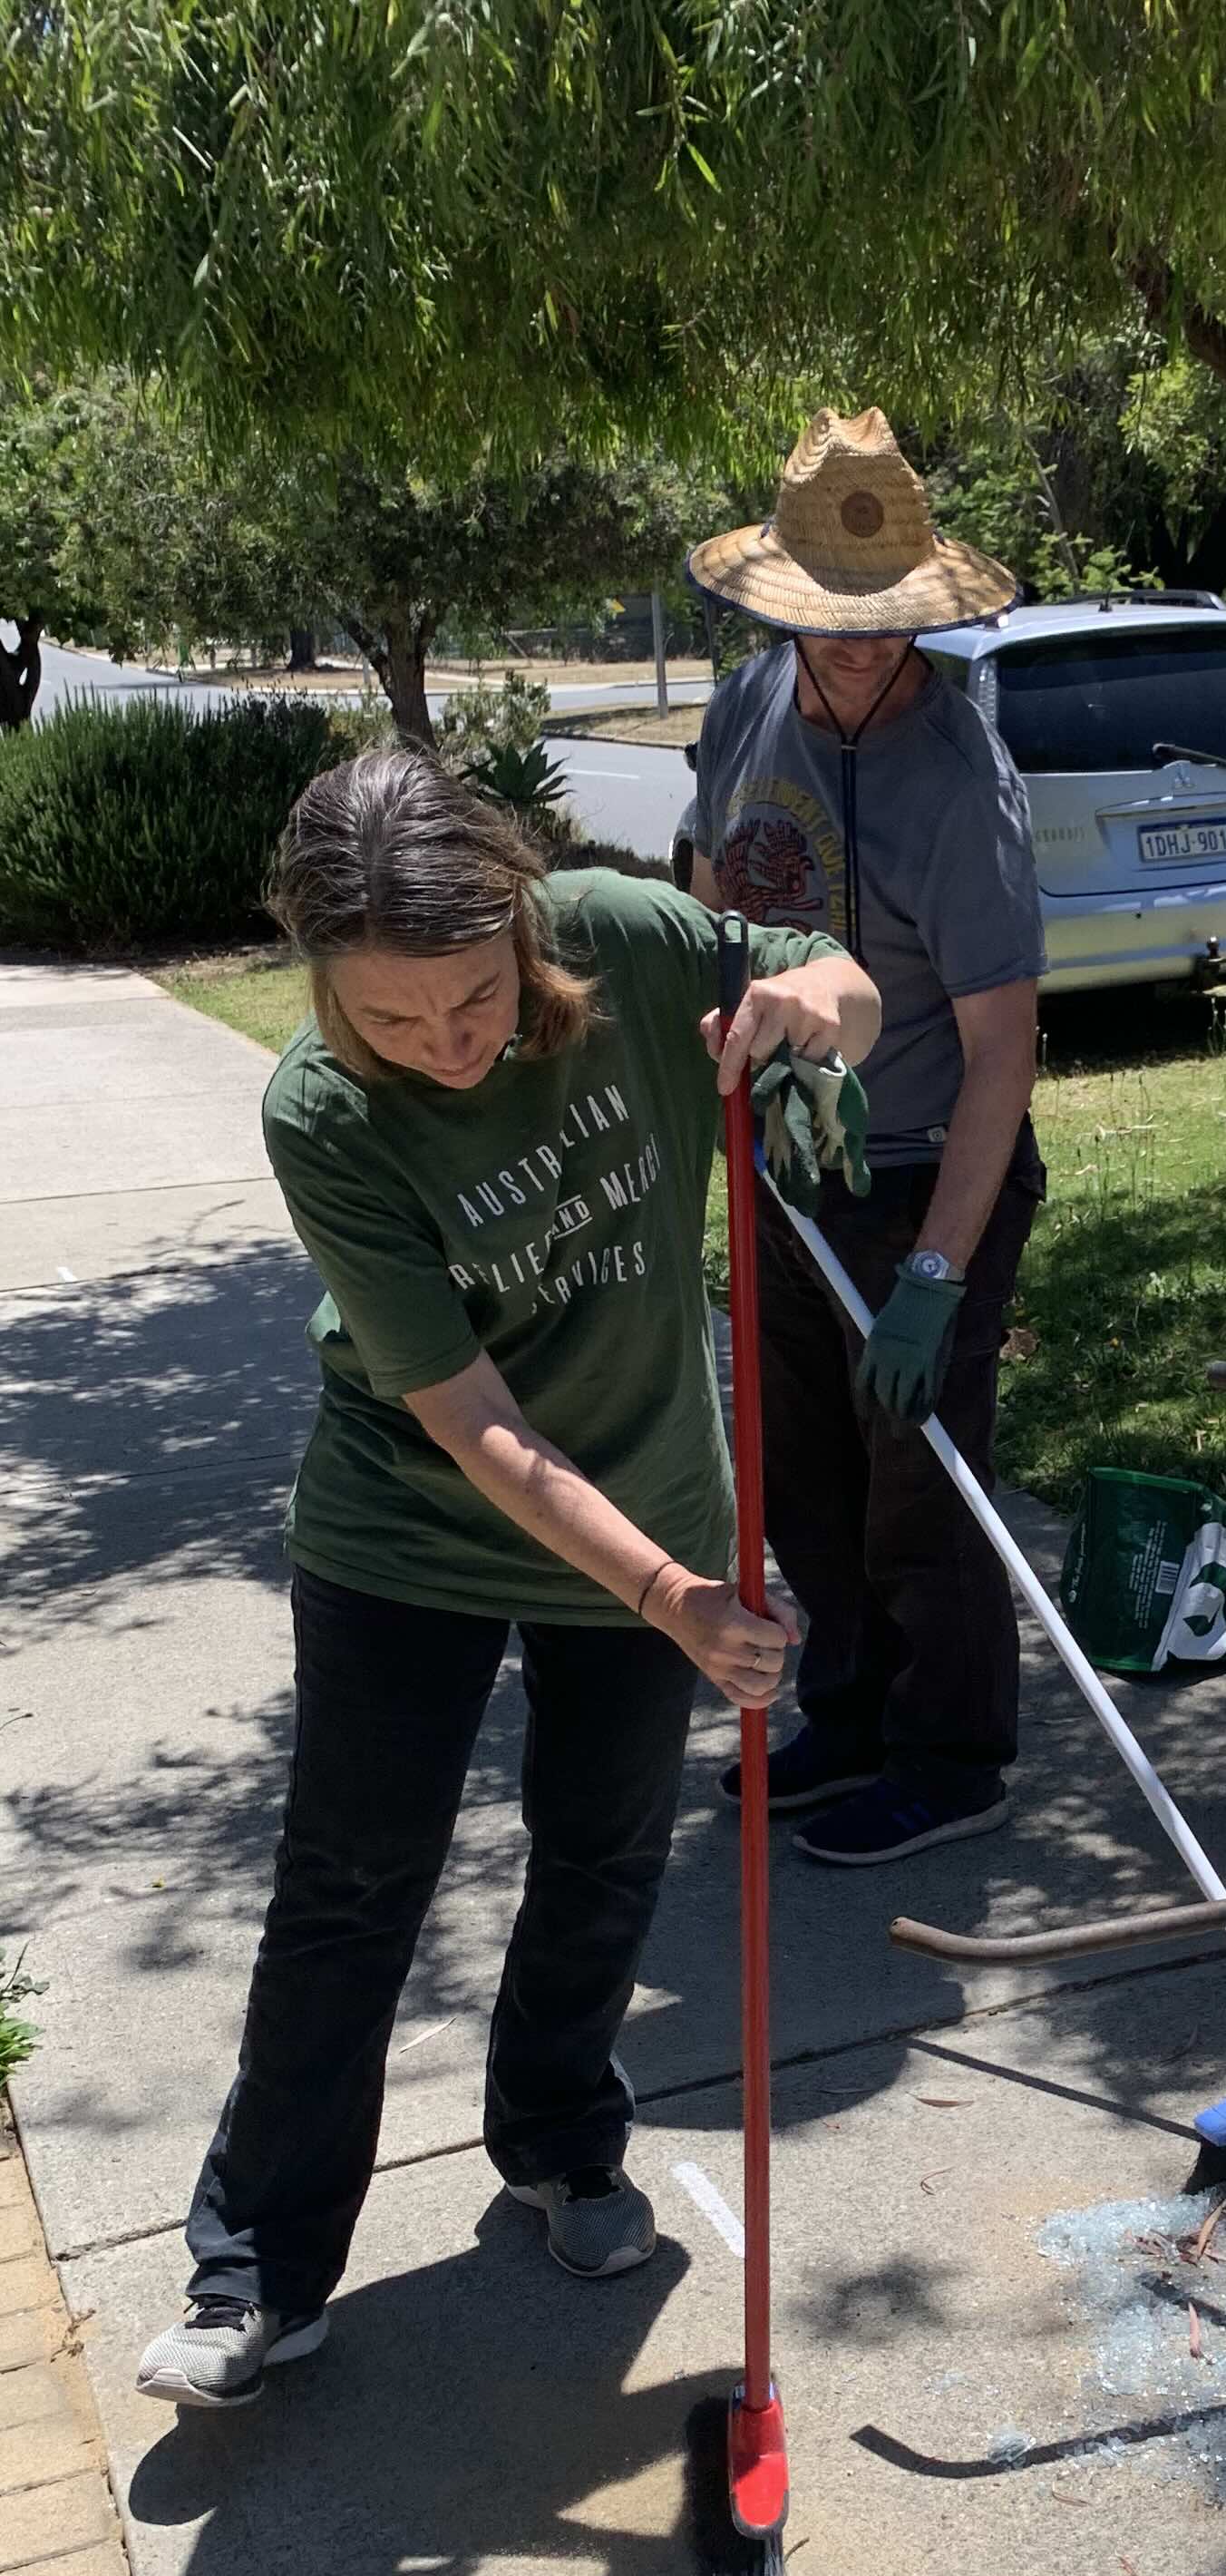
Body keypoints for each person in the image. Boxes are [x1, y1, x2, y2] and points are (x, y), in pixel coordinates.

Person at [137, 747, 881, 2410]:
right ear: (320, 981)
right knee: (350, 1889)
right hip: (413, 1529)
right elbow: (475, 1426)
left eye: (472, 1000)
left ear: (524, 924)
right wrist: (676, 1600)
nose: (444, 1048)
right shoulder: (323, 1113)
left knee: (605, 1854)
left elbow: (838, 978)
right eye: (389, 1019)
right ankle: (257, 2270)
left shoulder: (626, 938)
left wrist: (823, 1011)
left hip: (650, 1497)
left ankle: (557, 2138)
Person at [683, 406, 1047, 1869]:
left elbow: (1001, 1050)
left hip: (915, 1175)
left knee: (921, 1481)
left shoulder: (959, 783)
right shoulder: (741, 708)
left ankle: (952, 1751)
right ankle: (845, 1708)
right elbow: (712, 904)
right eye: (821, 619)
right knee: (804, 1470)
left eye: (877, 624)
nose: (847, 647)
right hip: (782, 1160)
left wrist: (940, 1273)